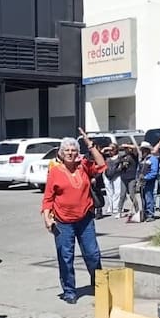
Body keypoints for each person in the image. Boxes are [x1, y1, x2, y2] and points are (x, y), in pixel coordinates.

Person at [41, 131, 106, 305]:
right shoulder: (55, 171)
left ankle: (98, 284)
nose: (70, 153)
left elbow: (101, 165)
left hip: (85, 219)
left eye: (73, 150)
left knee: (93, 254)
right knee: (65, 257)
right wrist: (47, 218)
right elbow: (48, 198)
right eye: (67, 150)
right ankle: (69, 291)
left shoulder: (83, 165)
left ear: (77, 152)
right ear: (61, 153)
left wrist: (90, 145)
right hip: (63, 222)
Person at [102, 146, 126, 217]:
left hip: (117, 175)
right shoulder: (106, 156)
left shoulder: (119, 156)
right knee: (109, 192)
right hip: (107, 175)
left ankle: (116, 207)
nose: (111, 150)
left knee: (117, 191)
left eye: (113, 149)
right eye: (110, 149)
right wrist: (106, 148)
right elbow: (100, 153)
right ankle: (110, 207)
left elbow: (123, 162)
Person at [139, 141, 160, 220]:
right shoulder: (142, 159)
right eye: (142, 150)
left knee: (149, 197)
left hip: (149, 182)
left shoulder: (153, 159)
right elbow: (138, 170)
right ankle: (145, 213)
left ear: (148, 150)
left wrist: (145, 177)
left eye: (144, 150)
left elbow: (154, 172)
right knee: (143, 198)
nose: (143, 151)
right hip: (141, 181)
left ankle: (150, 214)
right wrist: (138, 178)